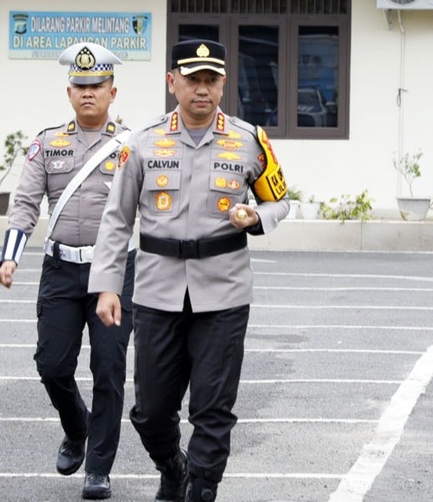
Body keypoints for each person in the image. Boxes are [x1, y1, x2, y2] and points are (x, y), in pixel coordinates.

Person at [89, 39, 291, 502]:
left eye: (211, 80)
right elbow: (117, 219)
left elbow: (279, 200)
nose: (202, 88)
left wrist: (256, 216)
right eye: (192, 79)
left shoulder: (249, 141)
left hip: (224, 291)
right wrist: (106, 287)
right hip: (157, 291)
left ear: (223, 84)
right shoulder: (142, 143)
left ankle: (201, 488)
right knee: (150, 411)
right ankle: (172, 466)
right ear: (172, 82)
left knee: (213, 409)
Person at [0, 42, 135, 499]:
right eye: (80, 86)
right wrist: (10, 255)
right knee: (52, 364)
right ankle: (77, 427)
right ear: (69, 92)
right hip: (60, 269)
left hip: (112, 271)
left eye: (97, 85)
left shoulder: (131, 146)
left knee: (108, 369)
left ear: (112, 92)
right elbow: (24, 205)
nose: (88, 93)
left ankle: (98, 468)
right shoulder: (47, 144)